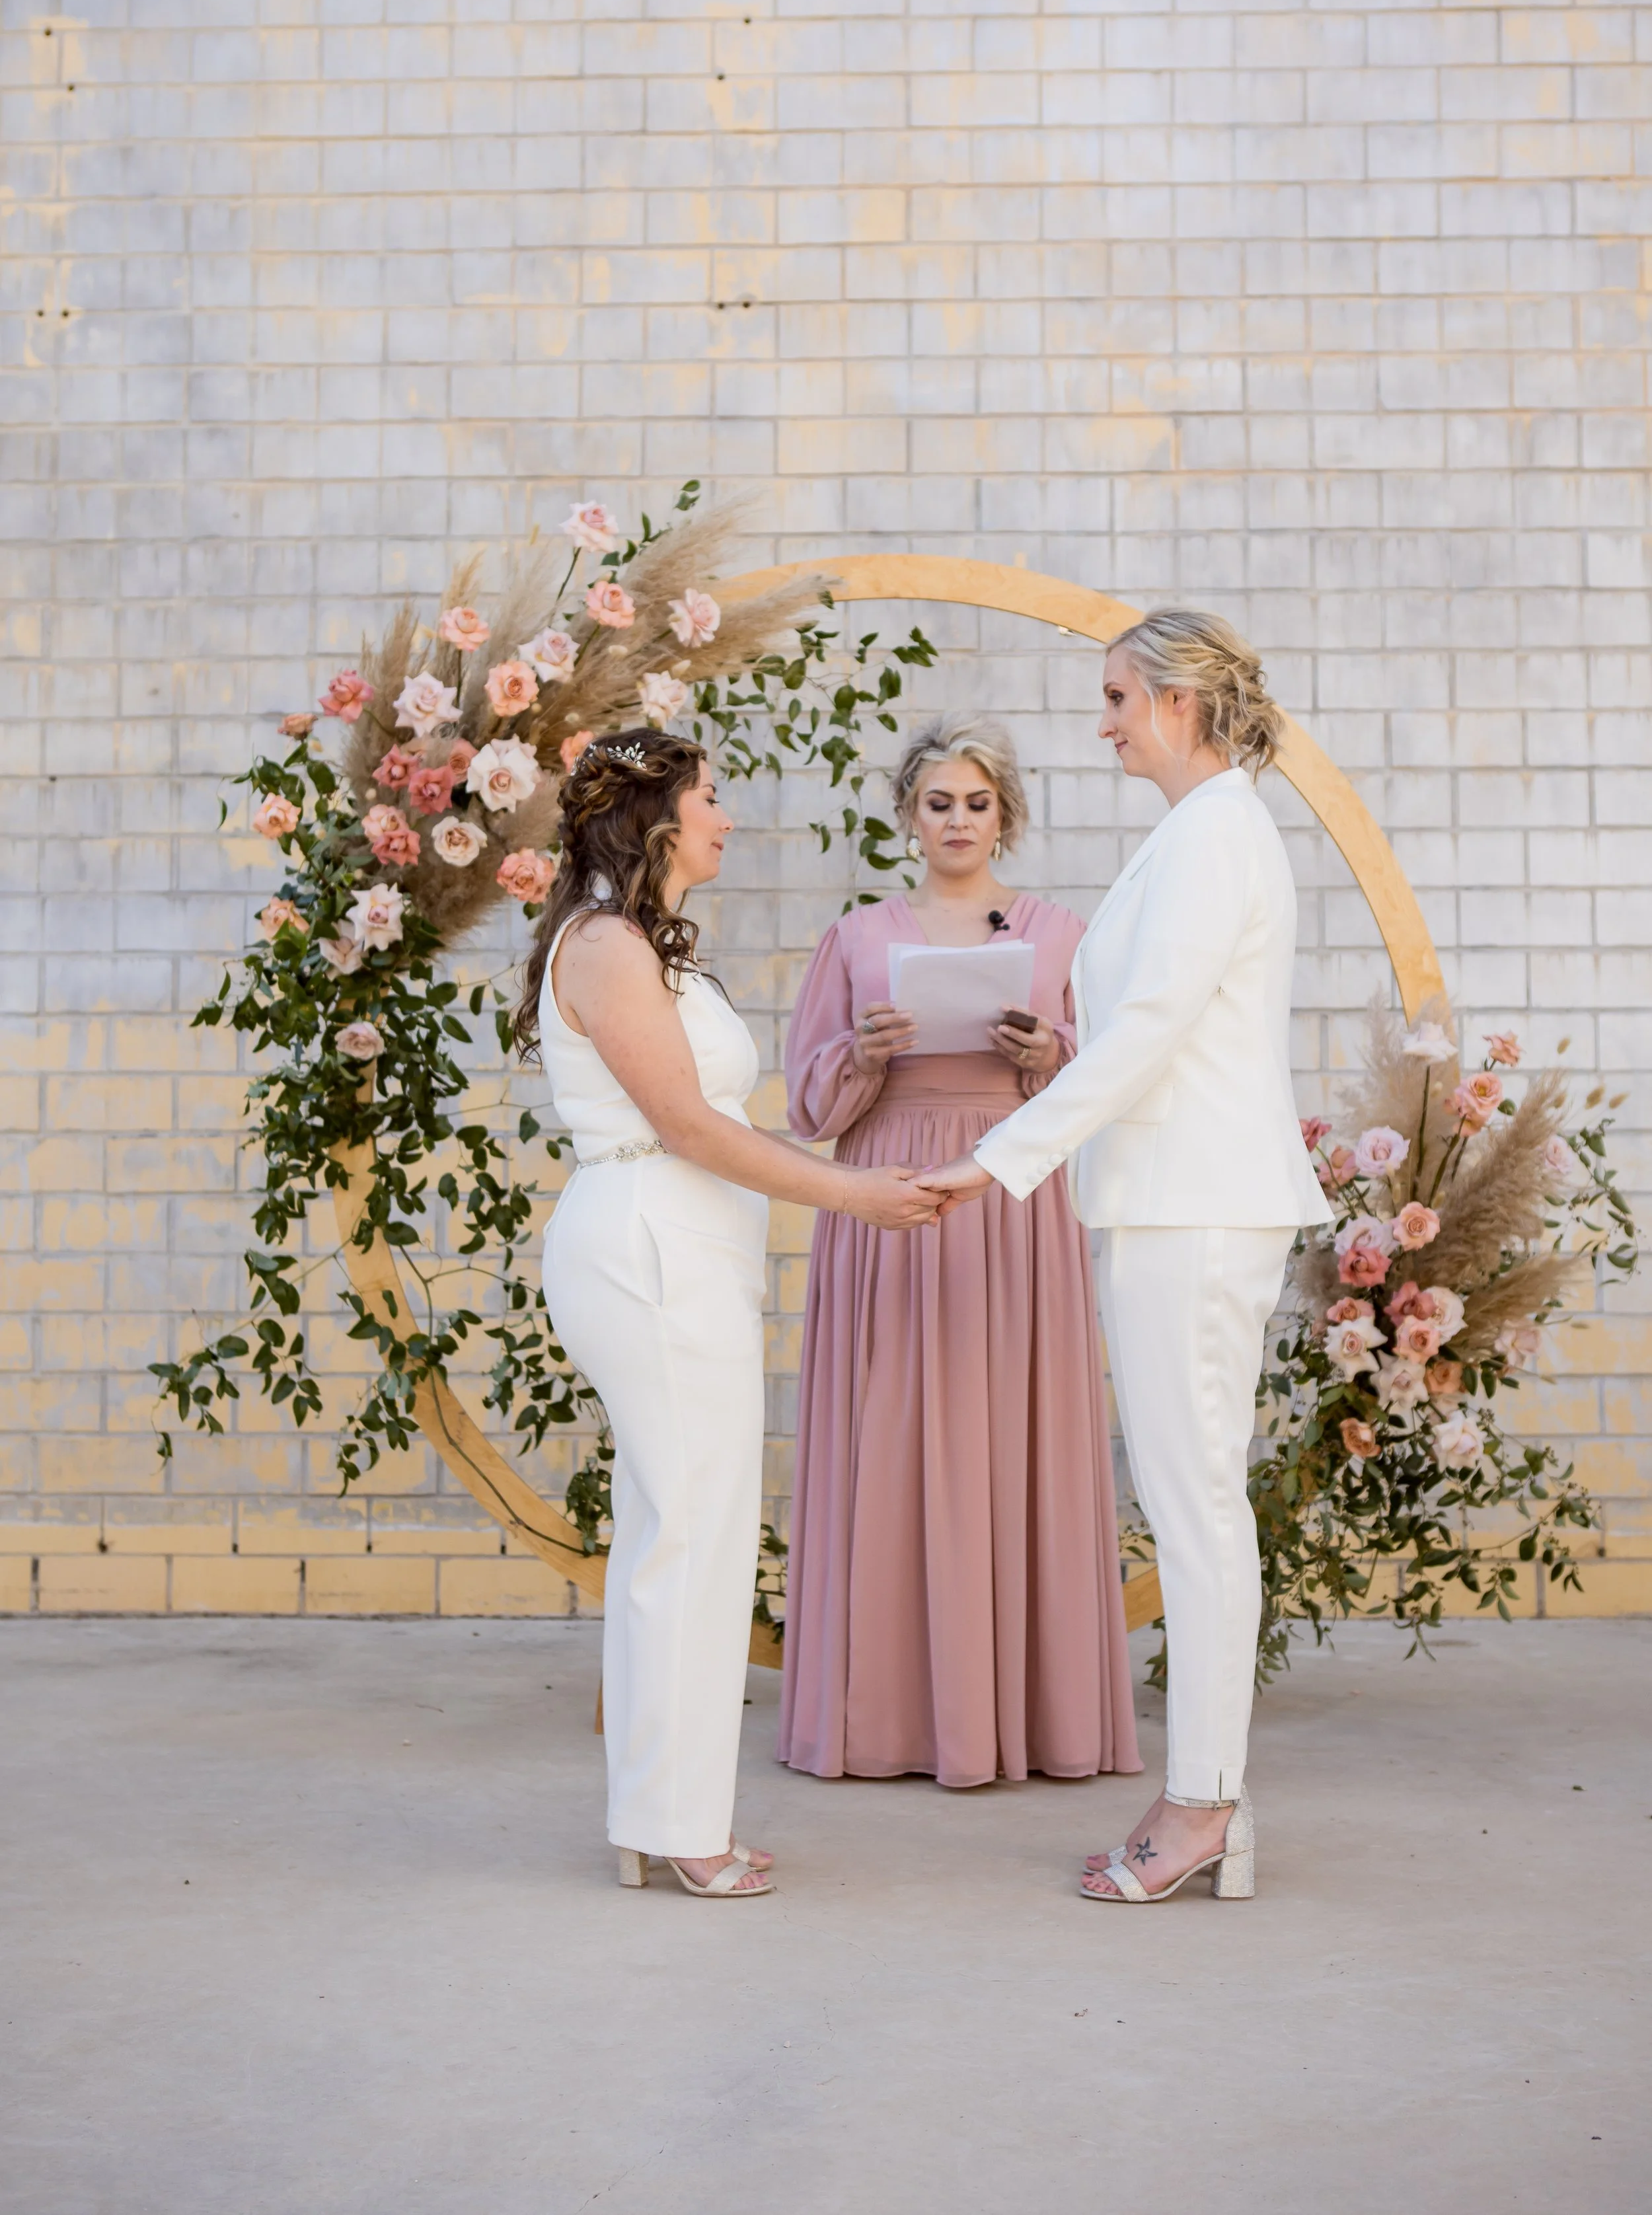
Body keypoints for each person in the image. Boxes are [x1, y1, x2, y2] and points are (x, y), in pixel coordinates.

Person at [922, 619, 1332, 1901]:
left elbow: (1149, 1025)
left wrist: (995, 1160)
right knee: (1189, 1498)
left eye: (1113, 698)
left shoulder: (1214, 834)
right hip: (1170, 1202)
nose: (1100, 722)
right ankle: (1212, 1801)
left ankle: (1203, 1803)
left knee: (1195, 1505)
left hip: (1194, 1210)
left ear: (1175, 699)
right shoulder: (1199, 831)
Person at [514, 731, 940, 1899]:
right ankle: (678, 1823)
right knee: (693, 1534)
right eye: (710, 796)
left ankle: (664, 1814)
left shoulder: (641, 943)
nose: (727, 816)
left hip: (683, 1249)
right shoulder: (602, 943)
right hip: (649, 1242)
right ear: (654, 813)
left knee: (685, 1530)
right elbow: (693, 1127)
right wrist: (853, 1193)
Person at [777, 714, 1143, 1789]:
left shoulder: (1064, 939)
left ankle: (1030, 1719)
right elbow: (806, 1102)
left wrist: (1050, 1054)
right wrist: (863, 1052)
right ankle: (883, 1716)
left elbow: (1110, 1076)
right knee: (887, 1427)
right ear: (909, 813)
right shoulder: (856, 939)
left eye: (977, 802)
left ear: (1006, 815)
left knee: (1010, 1428)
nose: (958, 820)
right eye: (939, 801)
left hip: (1012, 1196)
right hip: (886, 1189)